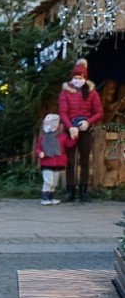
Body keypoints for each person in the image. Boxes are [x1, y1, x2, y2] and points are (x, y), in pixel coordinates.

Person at [58, 59, 103, 203]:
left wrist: (88, 122)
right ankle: (70, 190)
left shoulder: (92, 93)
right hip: (70, 130)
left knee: (85, 160)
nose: (78, 80)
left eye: (81, 78)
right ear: (72, 78)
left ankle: (84, 190)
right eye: (76, 77)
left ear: (85, 78)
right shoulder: (65, 93)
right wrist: (70, 127)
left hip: (85, 129)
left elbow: (99, 112)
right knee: (70, 161)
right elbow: (63, 112)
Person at [35, 113, 76, 206]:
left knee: (54, 182)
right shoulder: (43, 138)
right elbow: (38, 148)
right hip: (46, 162)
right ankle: (44, 198)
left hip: (58, 163)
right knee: (48, 181)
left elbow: (69, 144)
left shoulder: (62, 136)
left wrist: (74, 137)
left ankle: (51, 198)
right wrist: (39, 153)